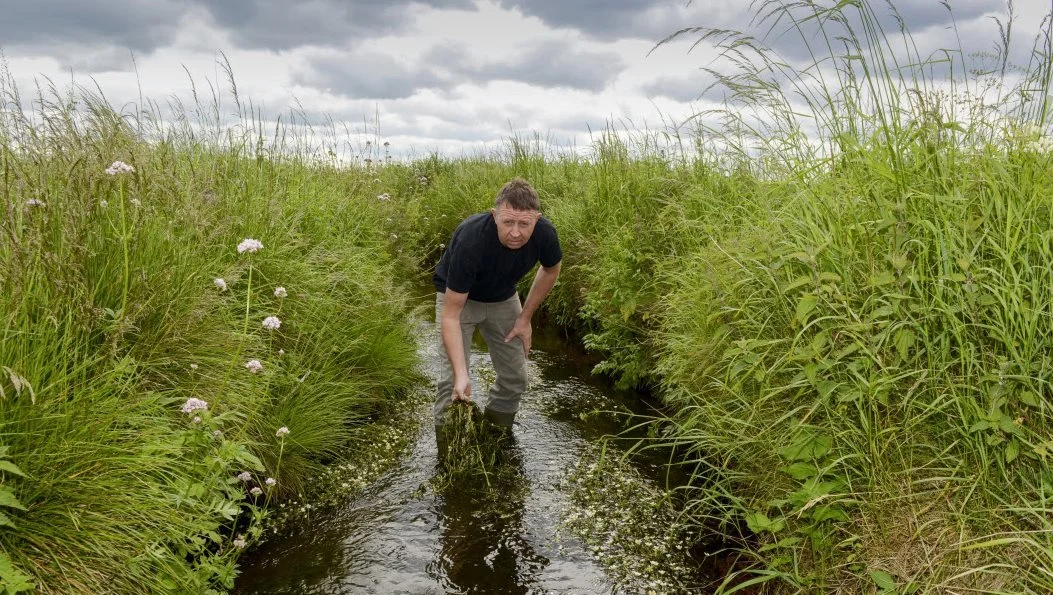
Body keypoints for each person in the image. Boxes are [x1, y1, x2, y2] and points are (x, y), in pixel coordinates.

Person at [432, 177, 562, 450]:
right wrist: (461, 374)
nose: (515, 232)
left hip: (503, 298)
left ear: (536, 219)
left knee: (516, 378)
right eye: (507, 222)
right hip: (459, 300)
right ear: (495, 216)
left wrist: (525, 318)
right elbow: (451, 315)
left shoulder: (545, 234)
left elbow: (551, 269)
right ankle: (449, 454)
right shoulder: (471, 238)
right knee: (452, 386)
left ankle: (495, 440)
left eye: (524, 224)